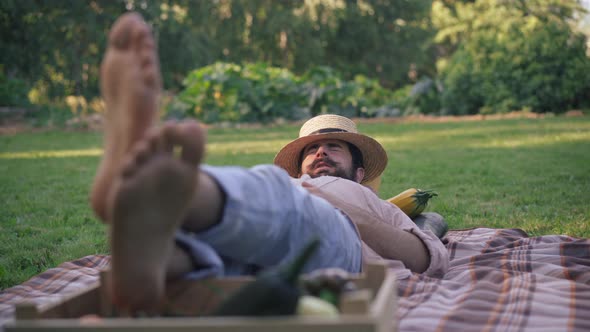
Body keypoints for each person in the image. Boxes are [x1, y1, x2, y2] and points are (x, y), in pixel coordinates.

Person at [90, 12, 448, 315]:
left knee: (285, 204)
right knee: (211, 248)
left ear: (359, 173)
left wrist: (336, 202)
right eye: (312, 149)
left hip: (334, 250)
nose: (320, 152)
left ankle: (172, 189)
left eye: (334, 147)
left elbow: (426, 258)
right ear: (297, 165)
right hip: (252, 274)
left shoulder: (368, 204)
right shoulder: (287, 185)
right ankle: (154, 260)